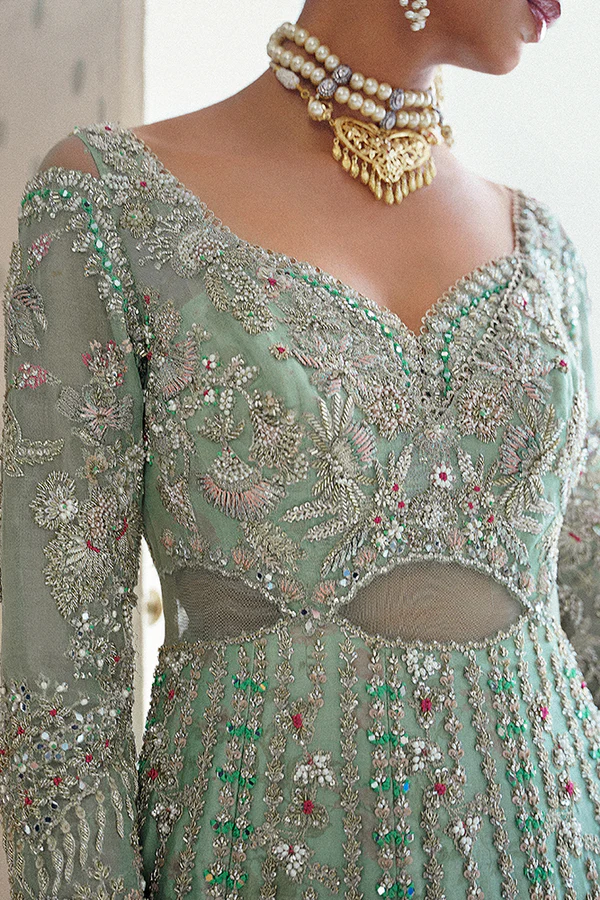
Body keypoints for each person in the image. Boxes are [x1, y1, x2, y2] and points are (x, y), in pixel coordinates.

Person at [1, 0, 599, 896]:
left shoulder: (545, 254)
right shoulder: (110, 204)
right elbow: (57, 702)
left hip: (557, 854)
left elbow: (581, 604)